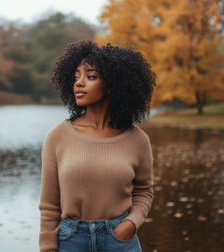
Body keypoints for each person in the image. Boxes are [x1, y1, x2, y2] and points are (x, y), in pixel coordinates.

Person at [39, 40, 155, 252]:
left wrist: (131, 223)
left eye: (90, 76)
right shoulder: (58, 136)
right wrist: (47, 248)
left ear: (112, 84)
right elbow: (49, 205)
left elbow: (144, 191)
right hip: (70, 240)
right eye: (76, 76)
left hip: (120, 240)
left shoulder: (137, 140)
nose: (79, 83)